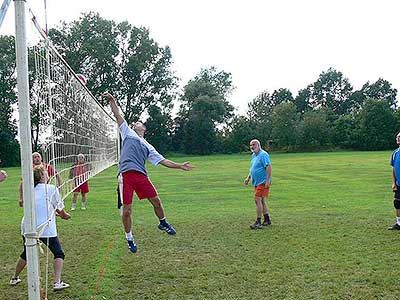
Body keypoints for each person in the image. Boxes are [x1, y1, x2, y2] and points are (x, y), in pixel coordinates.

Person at [103, 92, 193, 253]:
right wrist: (112, 101)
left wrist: (180, 165)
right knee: (127, 210)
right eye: (134, 123)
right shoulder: (127, 133)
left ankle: (163, 222)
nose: (134, 124)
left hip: (141, 176)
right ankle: (129, 238)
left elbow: (164, 161)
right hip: (126, 176)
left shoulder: (148, 146)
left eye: (138, 122)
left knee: (157, 201)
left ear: (143, 129)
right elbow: (117, 115)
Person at [10, 165, 71, 291]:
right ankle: (57, 283)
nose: (48, 175)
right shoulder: (52, 188)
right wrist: (65, 216)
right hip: (45, 228)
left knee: (27, 253)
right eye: (46, 173)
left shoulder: (30, 190)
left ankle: (14, 278)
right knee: (59, 253)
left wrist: (54, 212)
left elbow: (39, 207)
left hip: (27, 226)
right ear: (43, 176)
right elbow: (61, 210)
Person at [244, 139, 272, 229]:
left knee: (257, 199)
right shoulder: (254, 155)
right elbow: (252, 168)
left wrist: (267, 180)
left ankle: (258, 221)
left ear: (259, 145)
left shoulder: (263, 155)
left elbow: (268, 167)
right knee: (262, 200)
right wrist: (248, 178)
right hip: (256, 181)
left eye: (254, 145)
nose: (252, 147)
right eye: (251, 145)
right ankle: (267, 219)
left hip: (262, 182)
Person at [389, 132, 400, 230]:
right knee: (397, 203)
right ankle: (399, 224)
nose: (398, 138)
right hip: (399, 184)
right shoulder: (395, 153)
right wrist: (394, 182)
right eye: (397, 137)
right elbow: (393, 168)